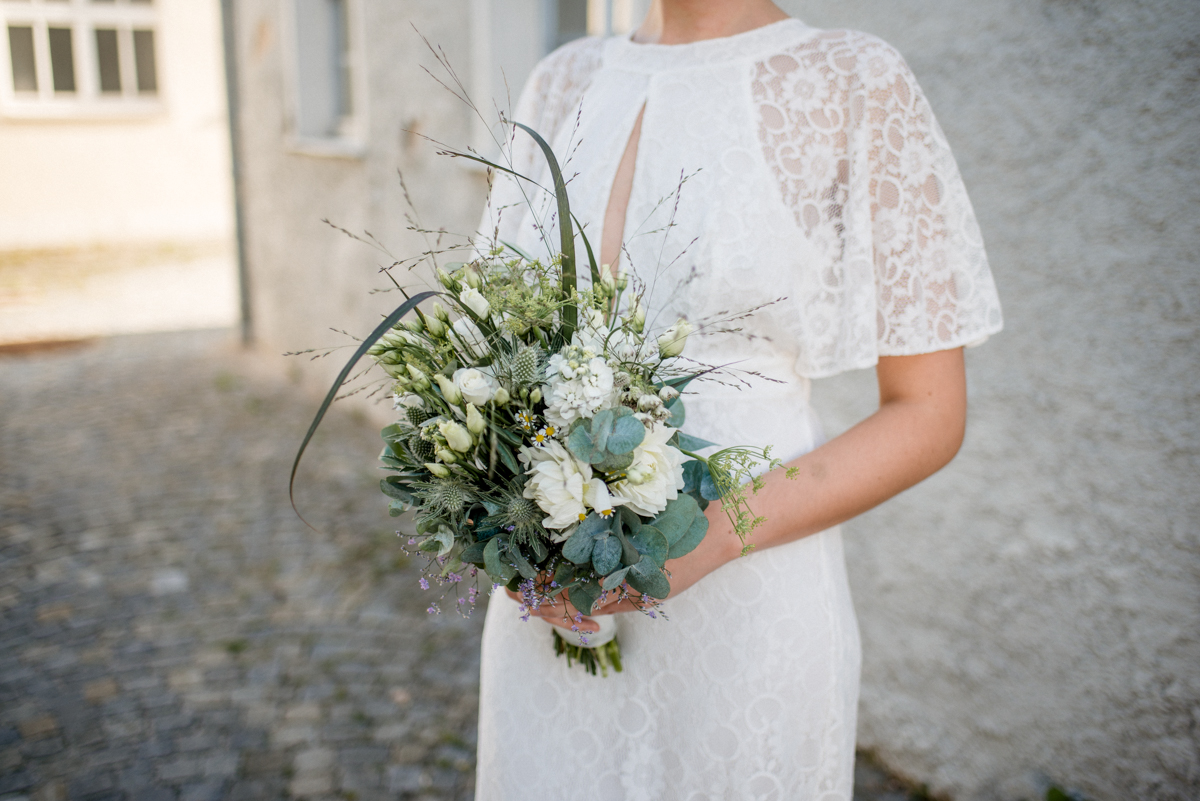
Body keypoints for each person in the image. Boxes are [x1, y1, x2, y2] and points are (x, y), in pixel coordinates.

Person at [473, 1, 1003, 798]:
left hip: (750, 604)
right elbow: (489, 358)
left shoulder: (852, 80)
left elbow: (928, 414)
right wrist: (496, 524)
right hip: (553, 616)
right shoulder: (563, 81)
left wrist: (714, 536)